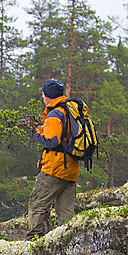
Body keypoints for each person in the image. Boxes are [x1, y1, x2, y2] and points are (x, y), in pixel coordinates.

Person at [26, 78, 78, 239]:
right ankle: (64, 243)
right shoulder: (69, 111)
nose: (42, 97)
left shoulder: (55, 114)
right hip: (71, 168)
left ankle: (33, 242)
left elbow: (52, 140)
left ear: (48, 96)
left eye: (43, 94)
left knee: (37, 204)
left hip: (54, 168)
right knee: (66, 212)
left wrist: (36, 133)